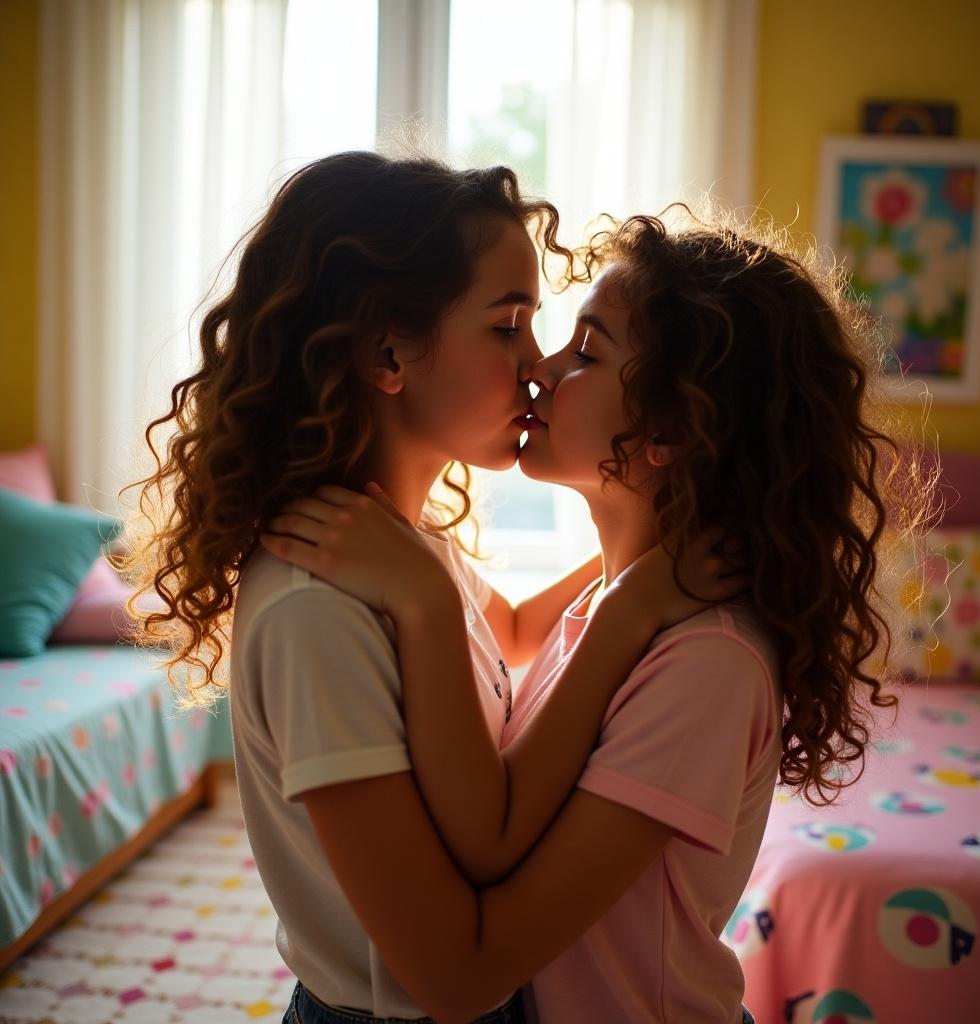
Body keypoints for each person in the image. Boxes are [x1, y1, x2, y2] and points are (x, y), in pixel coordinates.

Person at [264, 207, 930, 1023]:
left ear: (671, 428)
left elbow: (490, 877)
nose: (537, 369)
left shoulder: (705, 660)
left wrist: (440, 597)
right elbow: (512, 642)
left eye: (584, 352)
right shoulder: (619, 598)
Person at [125, 153, 736, 1024]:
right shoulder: (320, 609)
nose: (536, 366)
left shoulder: (401, 547)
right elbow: (451, 978)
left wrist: (658, 548)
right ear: (387, 354)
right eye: (507, 327)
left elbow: (519, 630)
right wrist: (636, 606)